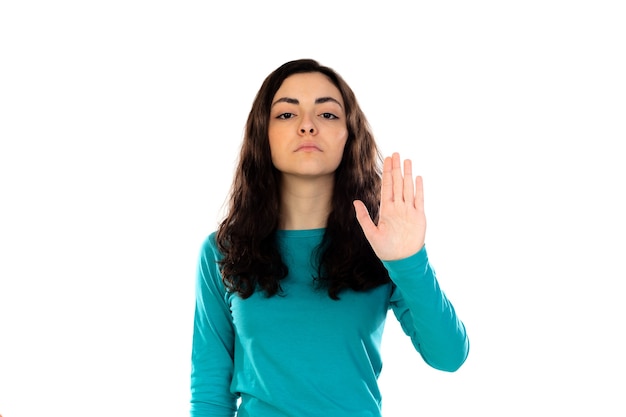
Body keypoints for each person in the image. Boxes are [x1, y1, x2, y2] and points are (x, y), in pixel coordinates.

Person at [190, 58, 469, 417]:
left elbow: (449, 357)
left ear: (349, 135)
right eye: (287, 115)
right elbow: (211, 393)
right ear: (264, 134)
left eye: (328, 115)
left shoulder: (380, 244)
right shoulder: (222, 250)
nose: (307, 126)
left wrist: (408, 261)